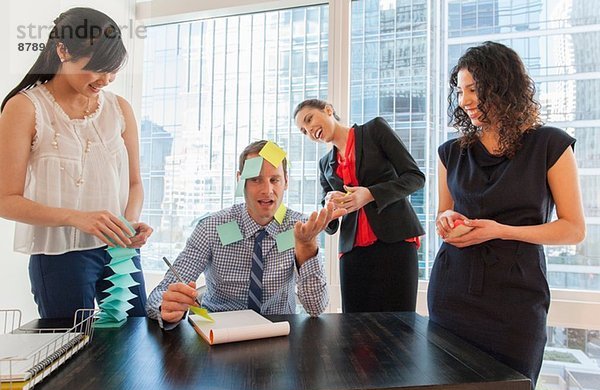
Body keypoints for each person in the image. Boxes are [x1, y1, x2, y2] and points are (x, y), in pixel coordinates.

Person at [428, 41, 585, 390]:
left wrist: (501, 231)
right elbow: (443, 213)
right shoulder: (451, 152)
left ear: (502, 86)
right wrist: (446, 220)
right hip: (453, 292)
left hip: (515, 301)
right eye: (460, 91)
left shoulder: (550, 145)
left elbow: (573, 229)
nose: (465, 100)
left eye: (474, 89)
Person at [0, 8, 153, 319]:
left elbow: (135, 184)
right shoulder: (25, 108)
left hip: (120, 251)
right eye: (98, 68)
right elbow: (5, 200)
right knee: (71, 352)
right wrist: (76, 217)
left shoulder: (119, 109)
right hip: (59, 256)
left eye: (113, 70)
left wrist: (128, 224)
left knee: (136, 341)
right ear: (62, 50)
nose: (106, 80)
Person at [147, 140, 346, 329]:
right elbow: (158, 296)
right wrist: (167, 307)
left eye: (274, 179)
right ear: (240, 180)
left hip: (278, 332)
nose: (267, 190)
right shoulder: (212, 227)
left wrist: (307, 246)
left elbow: (316, 308)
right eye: (255, 179)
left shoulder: (301, 228)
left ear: (286, 182)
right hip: (218, 332)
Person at [294, 100, 425, 313]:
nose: (309, 131)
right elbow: (331, 226)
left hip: (395, 241)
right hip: (352, 251)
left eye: (309, 120)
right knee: (354, 327)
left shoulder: (374, 130)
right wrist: (329, 206)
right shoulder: (325, 164)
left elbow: (415, 177)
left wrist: (371, 194)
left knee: (400, 323)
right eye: (303, 131)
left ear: (328, 109)